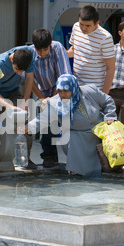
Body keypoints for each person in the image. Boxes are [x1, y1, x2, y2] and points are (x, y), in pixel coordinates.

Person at [27, 74, 117, 177]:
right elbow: (42, 119)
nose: (63, 94)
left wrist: (110, 116)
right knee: (68, 138)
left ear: (73, 89)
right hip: (75, 133)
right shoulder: (54, 103)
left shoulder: (90, 91)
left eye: (66, 91)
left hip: (97, 131)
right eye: (60, 91)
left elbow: (108, 101)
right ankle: (78, 171)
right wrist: (28, 127)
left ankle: (105, 166)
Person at [30, 28, 72, 168]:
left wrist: (52, 99)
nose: (42, 54)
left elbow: (63, 77)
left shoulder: (58, 48)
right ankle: (49, 156)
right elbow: (30, 81)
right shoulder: (30, 52)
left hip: (61, 91)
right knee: (45, 123)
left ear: (50, 45)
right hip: (42, 92)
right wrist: (43, 99)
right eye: (39, 50)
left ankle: (74, 156)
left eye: (45, 50)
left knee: (65, 126)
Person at [0, 46, 36, 168]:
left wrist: (24, 102)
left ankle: (26, 157)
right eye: (17, 70)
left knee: (25, 118)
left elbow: (29, 78)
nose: (20, 73)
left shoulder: (28, 54)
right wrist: (9, 107)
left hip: (13, 92)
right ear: (12, 59)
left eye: (23, 70)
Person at [67, 6, 116, 94]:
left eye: (88, 25)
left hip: (94, 90)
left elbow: (110, 68)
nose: (83, 28)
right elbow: (75, 50)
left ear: (97, 23)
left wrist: (103, 96)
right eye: (81, 24)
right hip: (76, 87)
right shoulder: (76, 27)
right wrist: (60, 54)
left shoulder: (106, 37)